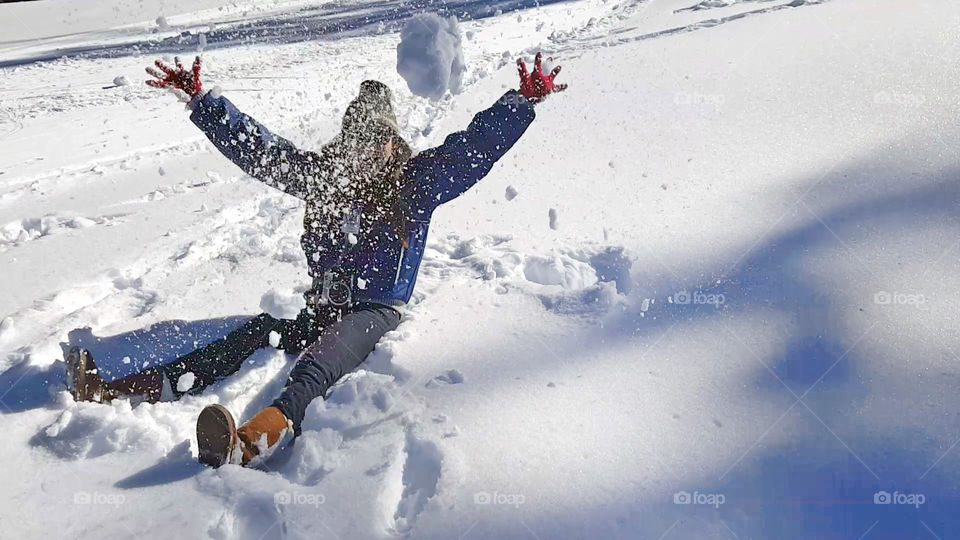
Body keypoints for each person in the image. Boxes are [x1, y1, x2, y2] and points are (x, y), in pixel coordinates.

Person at [65, 52, 567, 468]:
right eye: (358, 141)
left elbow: (471, 150)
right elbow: (260, 150)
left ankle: (248, 442)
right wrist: (203, 101)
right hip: (323, 307)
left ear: (394, 142)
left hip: (375, 313)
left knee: (318, 363)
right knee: (257, 332)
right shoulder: (326, 177)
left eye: (378, 140)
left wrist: (520, 102)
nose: (368, 152)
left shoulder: (417, 184)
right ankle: (121, 387)